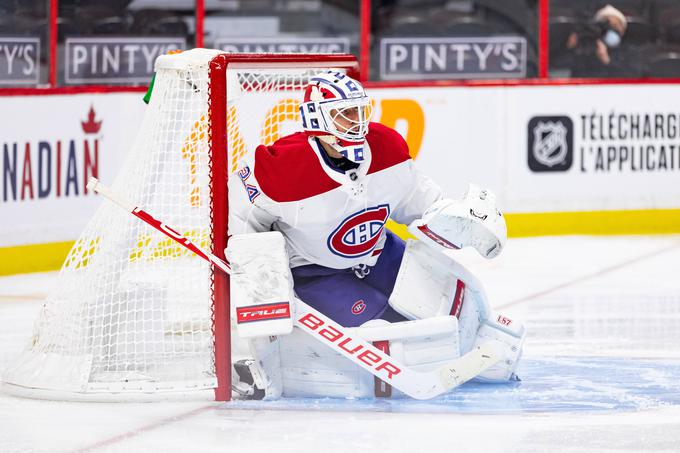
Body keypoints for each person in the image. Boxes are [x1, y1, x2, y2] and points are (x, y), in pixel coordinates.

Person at [227, 71, 525, 399]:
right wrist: (261, 280)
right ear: (317, 120)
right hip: (315, 271)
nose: (357, 122)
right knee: (386, 331)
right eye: (345, 114)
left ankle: (473, 349)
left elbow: (417, 200)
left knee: (449, 303)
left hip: (377, 251)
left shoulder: (386, 147)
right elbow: (245, 222)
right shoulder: (281, 169)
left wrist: (456, 218)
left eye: (360, 111)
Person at [565, 4, 631, 77]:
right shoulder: (587, 46)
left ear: (623, 30)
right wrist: (570, 47)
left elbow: (629, 77)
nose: (610, 30)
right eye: (606, 26)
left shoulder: (629, 51)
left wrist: (606, 60)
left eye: (615, 26)